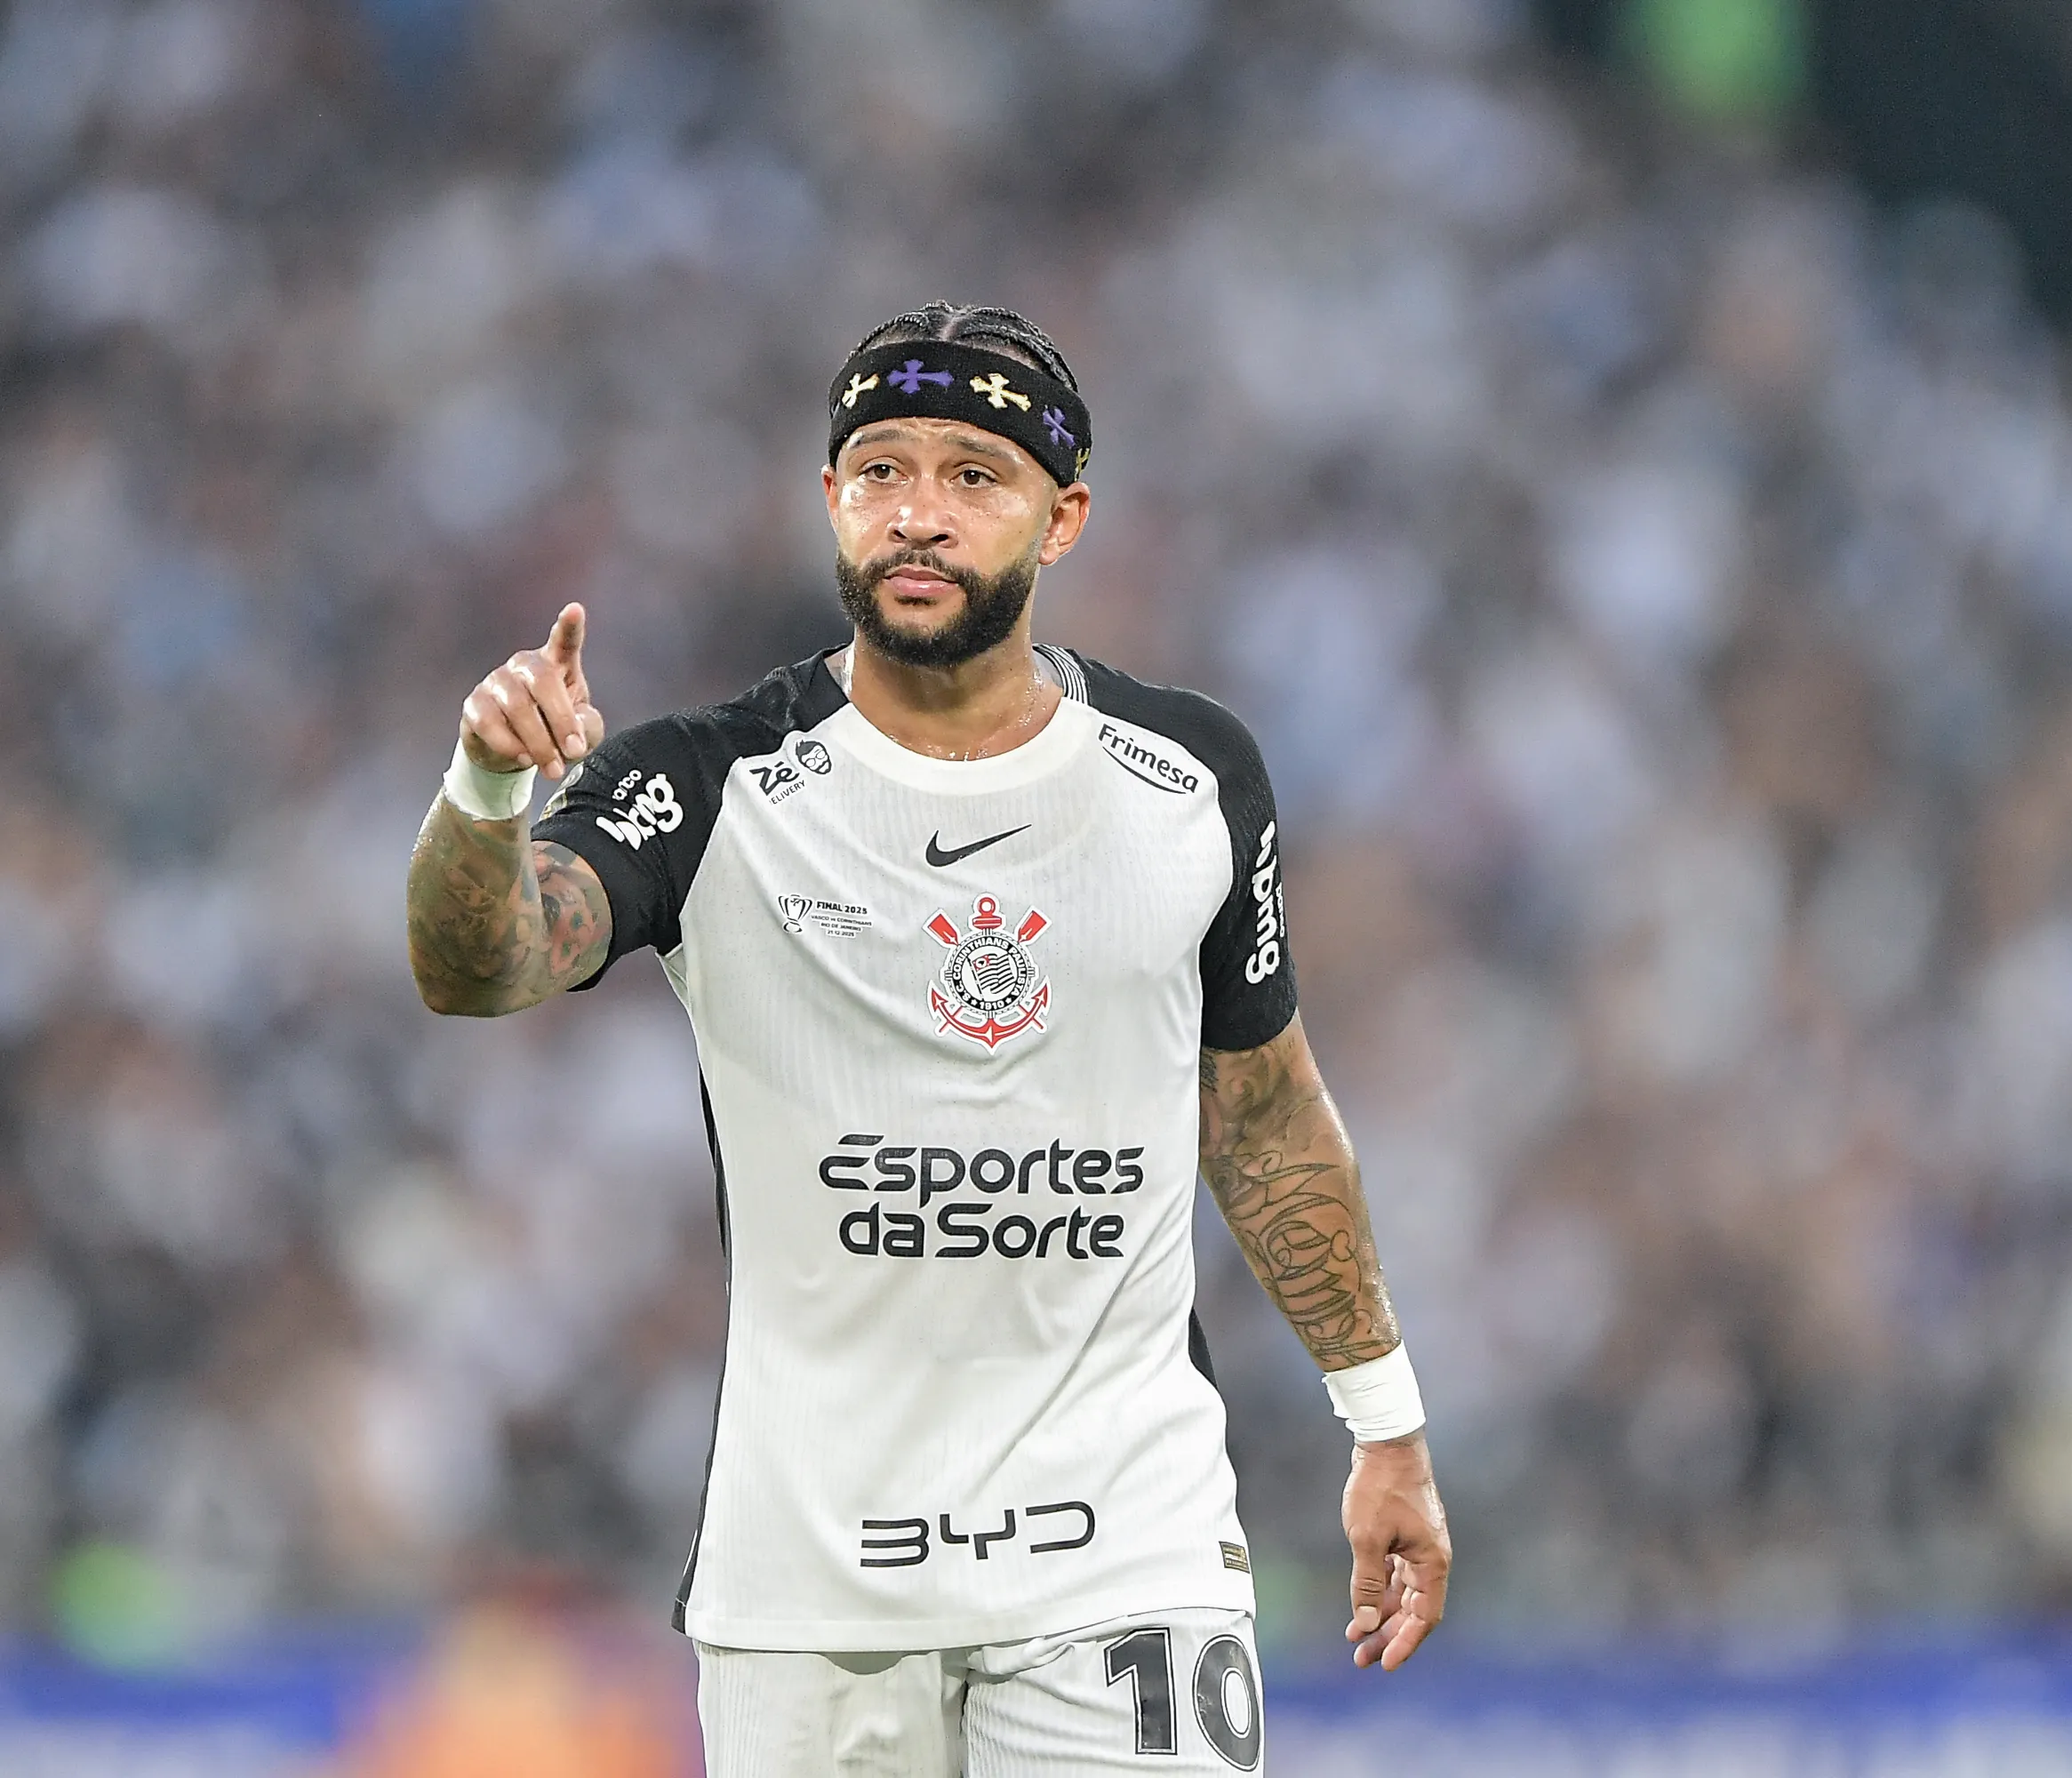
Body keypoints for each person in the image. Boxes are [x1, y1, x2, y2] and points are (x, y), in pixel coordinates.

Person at [404, 301, 1450, 1775]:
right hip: (813, 1587)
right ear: (831, 498)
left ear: (1062, 516)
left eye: (975, 475)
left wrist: (1382, 1420)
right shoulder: (711, 784)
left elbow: (1264, 1115)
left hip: (1123, 1554)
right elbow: (484, 964)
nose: (919, 514)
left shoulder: (1191, 779)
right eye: (880, 468)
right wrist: (485, 790)